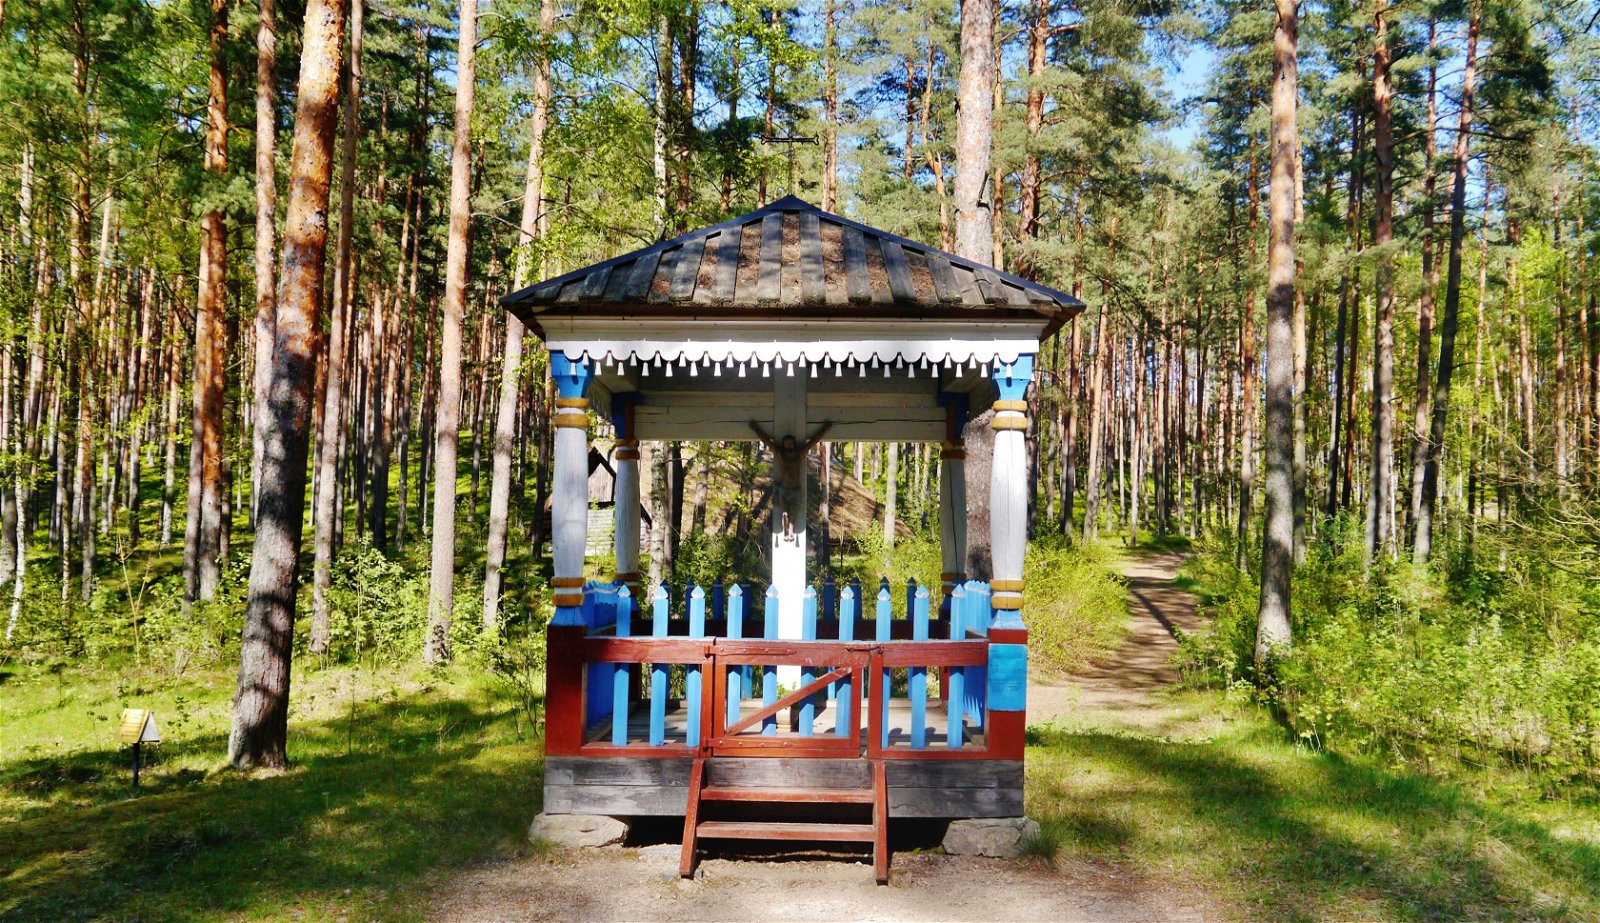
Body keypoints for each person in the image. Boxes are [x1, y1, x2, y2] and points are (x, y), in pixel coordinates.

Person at [748, 419, 832, 534]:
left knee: (792, 515)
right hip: (784, 489)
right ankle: (786, 530)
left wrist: (824, 430)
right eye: (786, 442)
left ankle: (790, 530)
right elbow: (766, 441)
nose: (788, 444)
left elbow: (813, 441)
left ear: (793, 443)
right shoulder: (780, 454)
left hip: (795, 490)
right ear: (783, 444)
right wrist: (756, 429)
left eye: (790, 442)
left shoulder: (799, 454)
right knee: (785, 514)